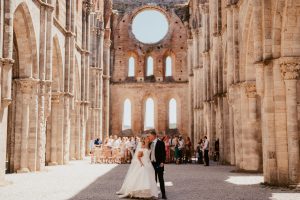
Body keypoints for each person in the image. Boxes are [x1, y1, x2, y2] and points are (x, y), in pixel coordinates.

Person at [148, 130, 167, 199]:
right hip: (152, 164)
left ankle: (164, 194)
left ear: (153, 136)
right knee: (154, 180)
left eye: (150, 136)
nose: (149, 137)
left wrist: (162, 162)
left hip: (159, 163)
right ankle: (155, 194)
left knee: (161, 179)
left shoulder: (161, 143)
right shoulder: (150, 144)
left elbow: (163, 153)